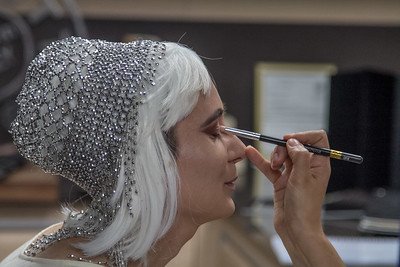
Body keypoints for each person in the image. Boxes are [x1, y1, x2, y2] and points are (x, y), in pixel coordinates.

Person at [0, 36, 344, 267]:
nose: (240, 149)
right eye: (214, 131)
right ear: (150, 157)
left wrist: (301, 232)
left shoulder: (70, 242)